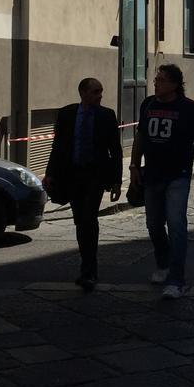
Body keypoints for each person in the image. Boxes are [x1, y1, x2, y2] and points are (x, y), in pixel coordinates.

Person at [130, 64, 194, 299]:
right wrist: (134, 165)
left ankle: (176, 279)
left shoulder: (190, 109)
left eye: (161, 80)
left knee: (176, 225)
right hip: (152, 174)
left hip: (178, 174)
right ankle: (164, 263)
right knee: (154, 225)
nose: (156, 82)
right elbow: (141, 137)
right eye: (156, 79)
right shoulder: (148, 104)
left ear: (175, 84)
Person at [43, 78, 122, 291]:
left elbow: (115, 150)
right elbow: (58, 146)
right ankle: (86, 266)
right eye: (96, 92)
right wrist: (50, 173)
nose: (100, 96)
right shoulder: (67, 114)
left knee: (89, 218)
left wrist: (116, 181)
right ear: (83, 93)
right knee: (80, 221)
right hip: (73, 175)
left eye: (101, 92)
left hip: (95, 176)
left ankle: (89, 270)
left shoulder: (107, 116)